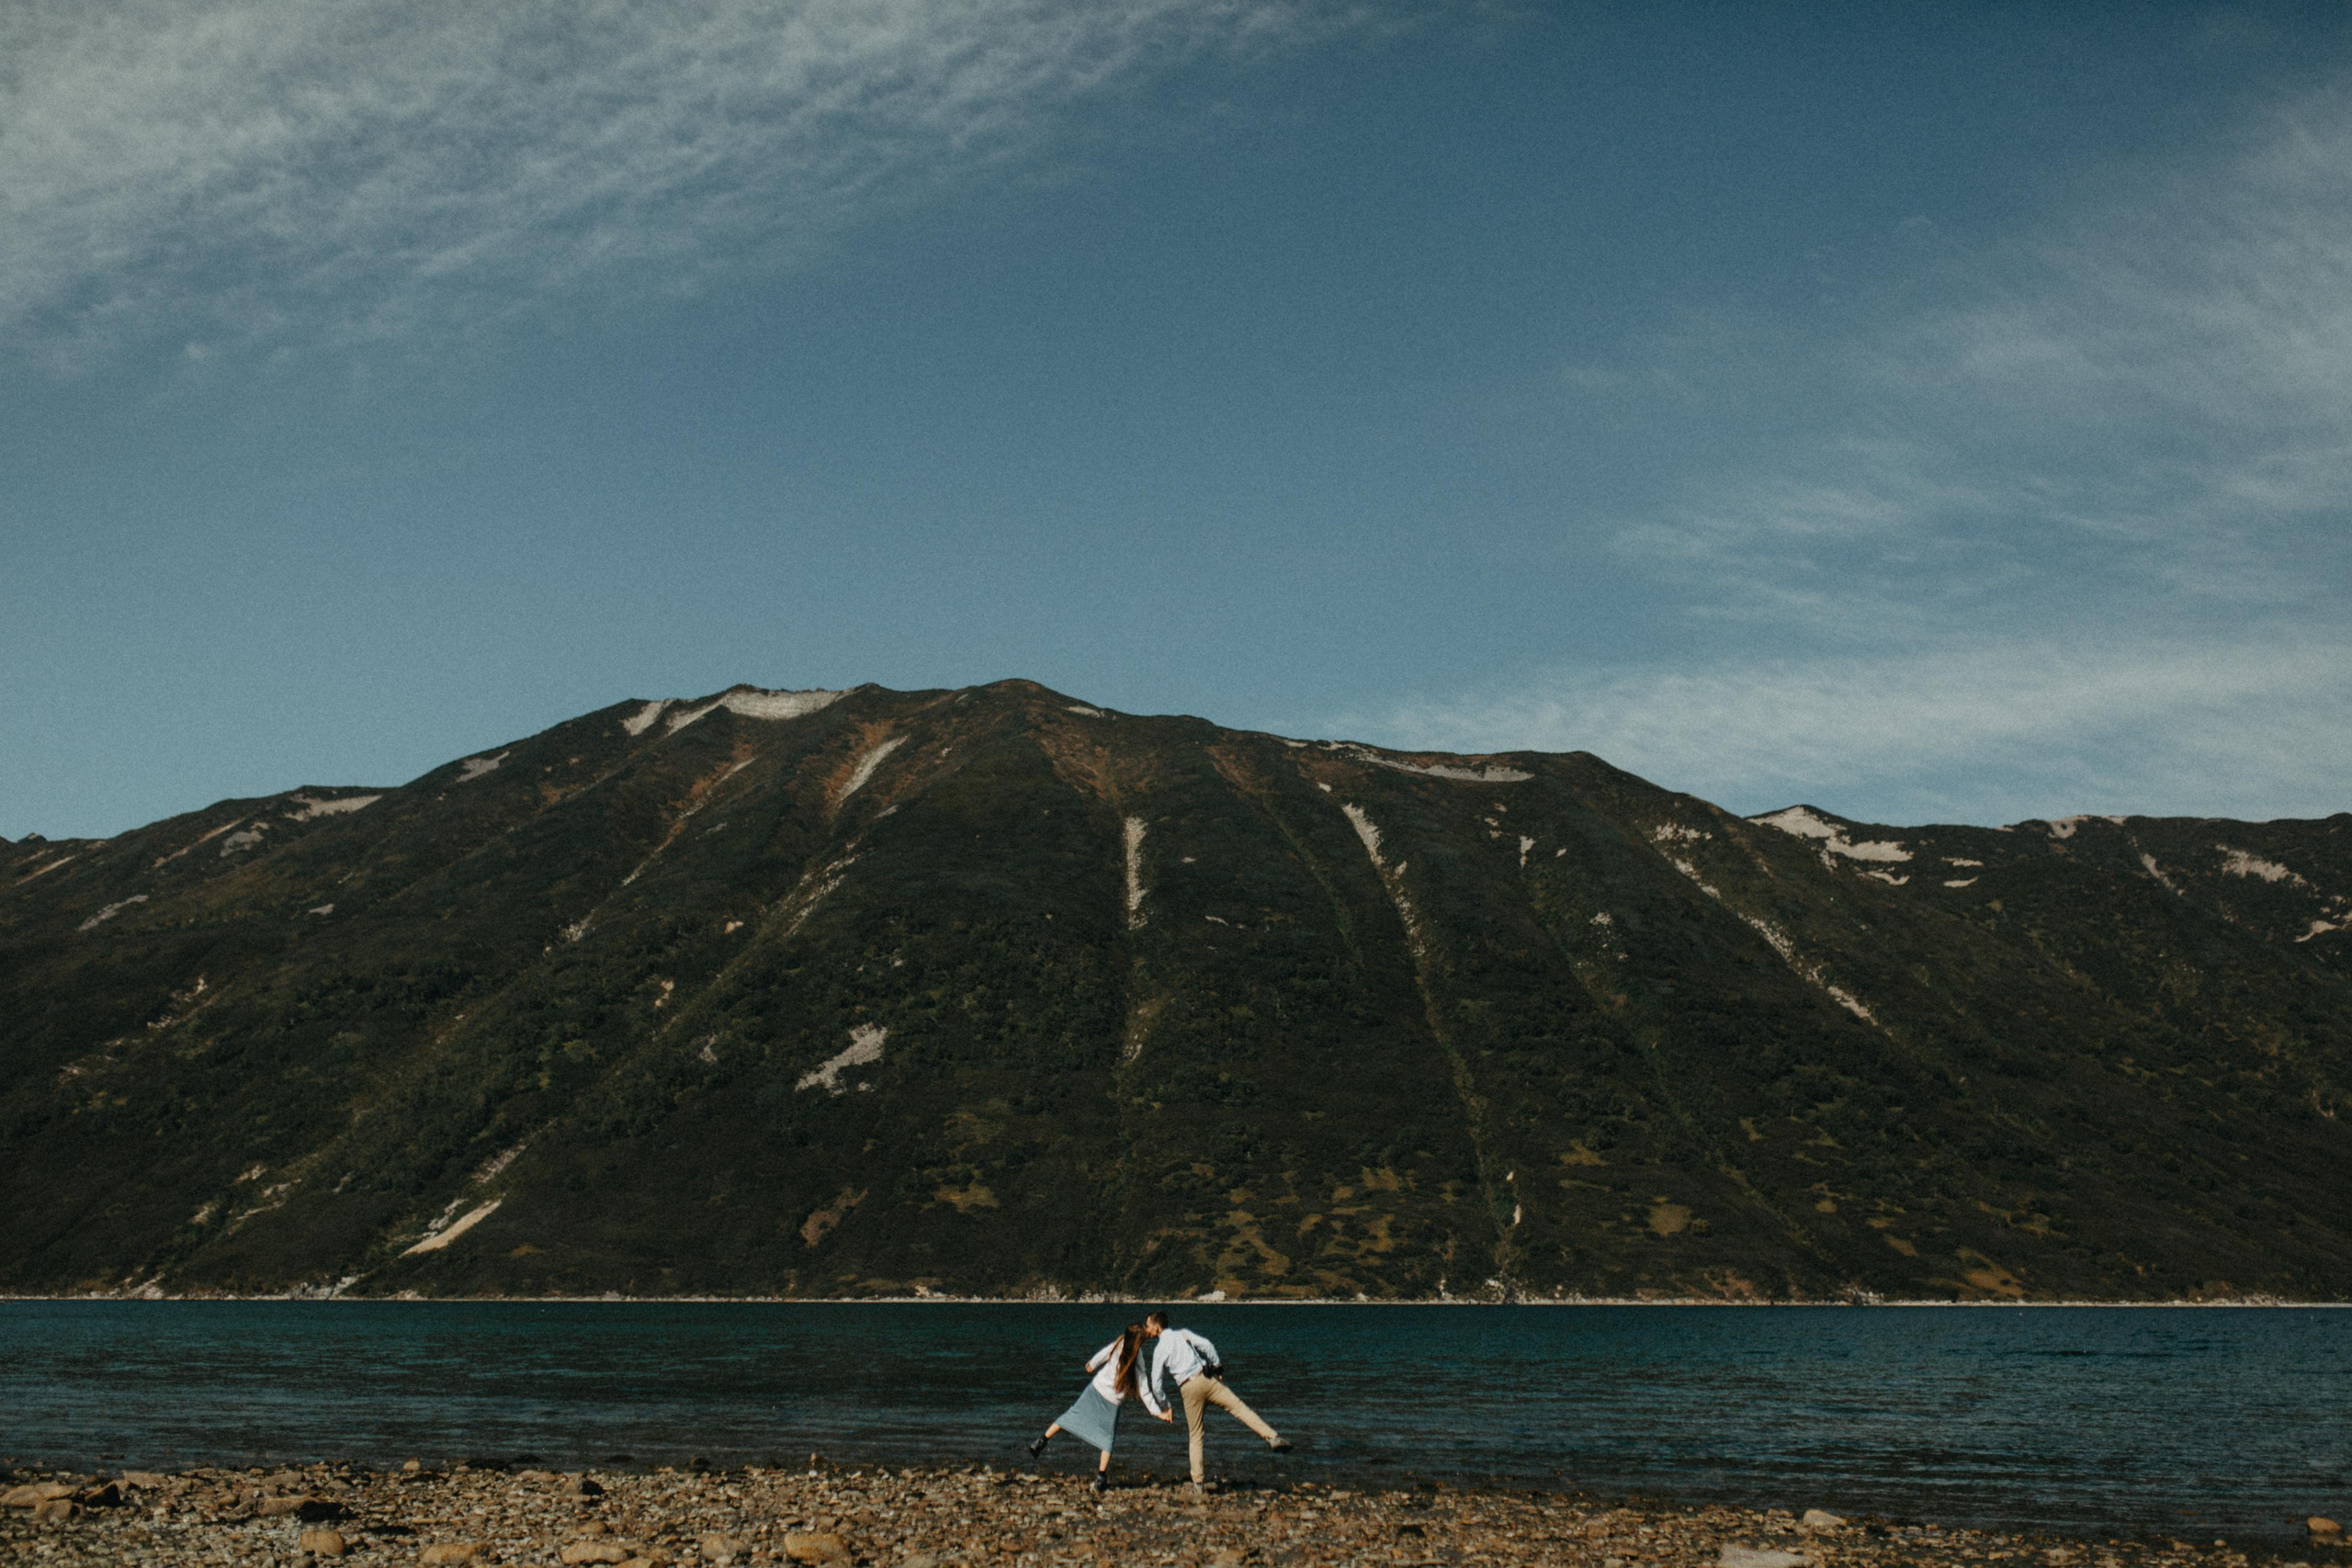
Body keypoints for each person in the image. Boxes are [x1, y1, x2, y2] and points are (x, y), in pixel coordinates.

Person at [1143, 1309, 1292, 1490]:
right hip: (1207, 1379)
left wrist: (1166, 1405)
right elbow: (1207, 1346)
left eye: (1148, 1326)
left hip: (1188, 1388)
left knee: (1196, 1435)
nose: (1146, 1330)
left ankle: (1198, 1484)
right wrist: (1217, 1367)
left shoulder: (1159, 1350)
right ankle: (1272, 1437)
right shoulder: (1183, 1334)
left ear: (1157, 1328)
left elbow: (1156, 1384)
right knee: (1240, 1408)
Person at [1026, 1321, 1172, 1492]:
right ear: (1139, 1342)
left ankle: (1041, 1442)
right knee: (1107, 1439)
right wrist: (1157, 1412)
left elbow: (1105, 1353)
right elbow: (1144, 1389)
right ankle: (1100, 1479)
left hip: (1096, 1388)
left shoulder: (1120, 1342)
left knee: (1071, 1415)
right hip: (1112, 1400)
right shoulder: (1137, 1357)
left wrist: (1093, 1363)